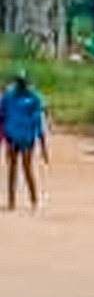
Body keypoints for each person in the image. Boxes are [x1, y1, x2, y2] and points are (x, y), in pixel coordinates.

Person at [0, 70, 49, 211]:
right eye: (19, 82)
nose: (21, 85)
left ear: (26, 82)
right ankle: (11, 202)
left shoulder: (34, 98)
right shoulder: (8, 97)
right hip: (12, 137)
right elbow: (1, 117)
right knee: (12, 170)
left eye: (23, 82)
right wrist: (3, 137)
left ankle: (34, 200)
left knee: (27, 168)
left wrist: (43, 146)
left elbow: (38, 122)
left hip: (27, 139)